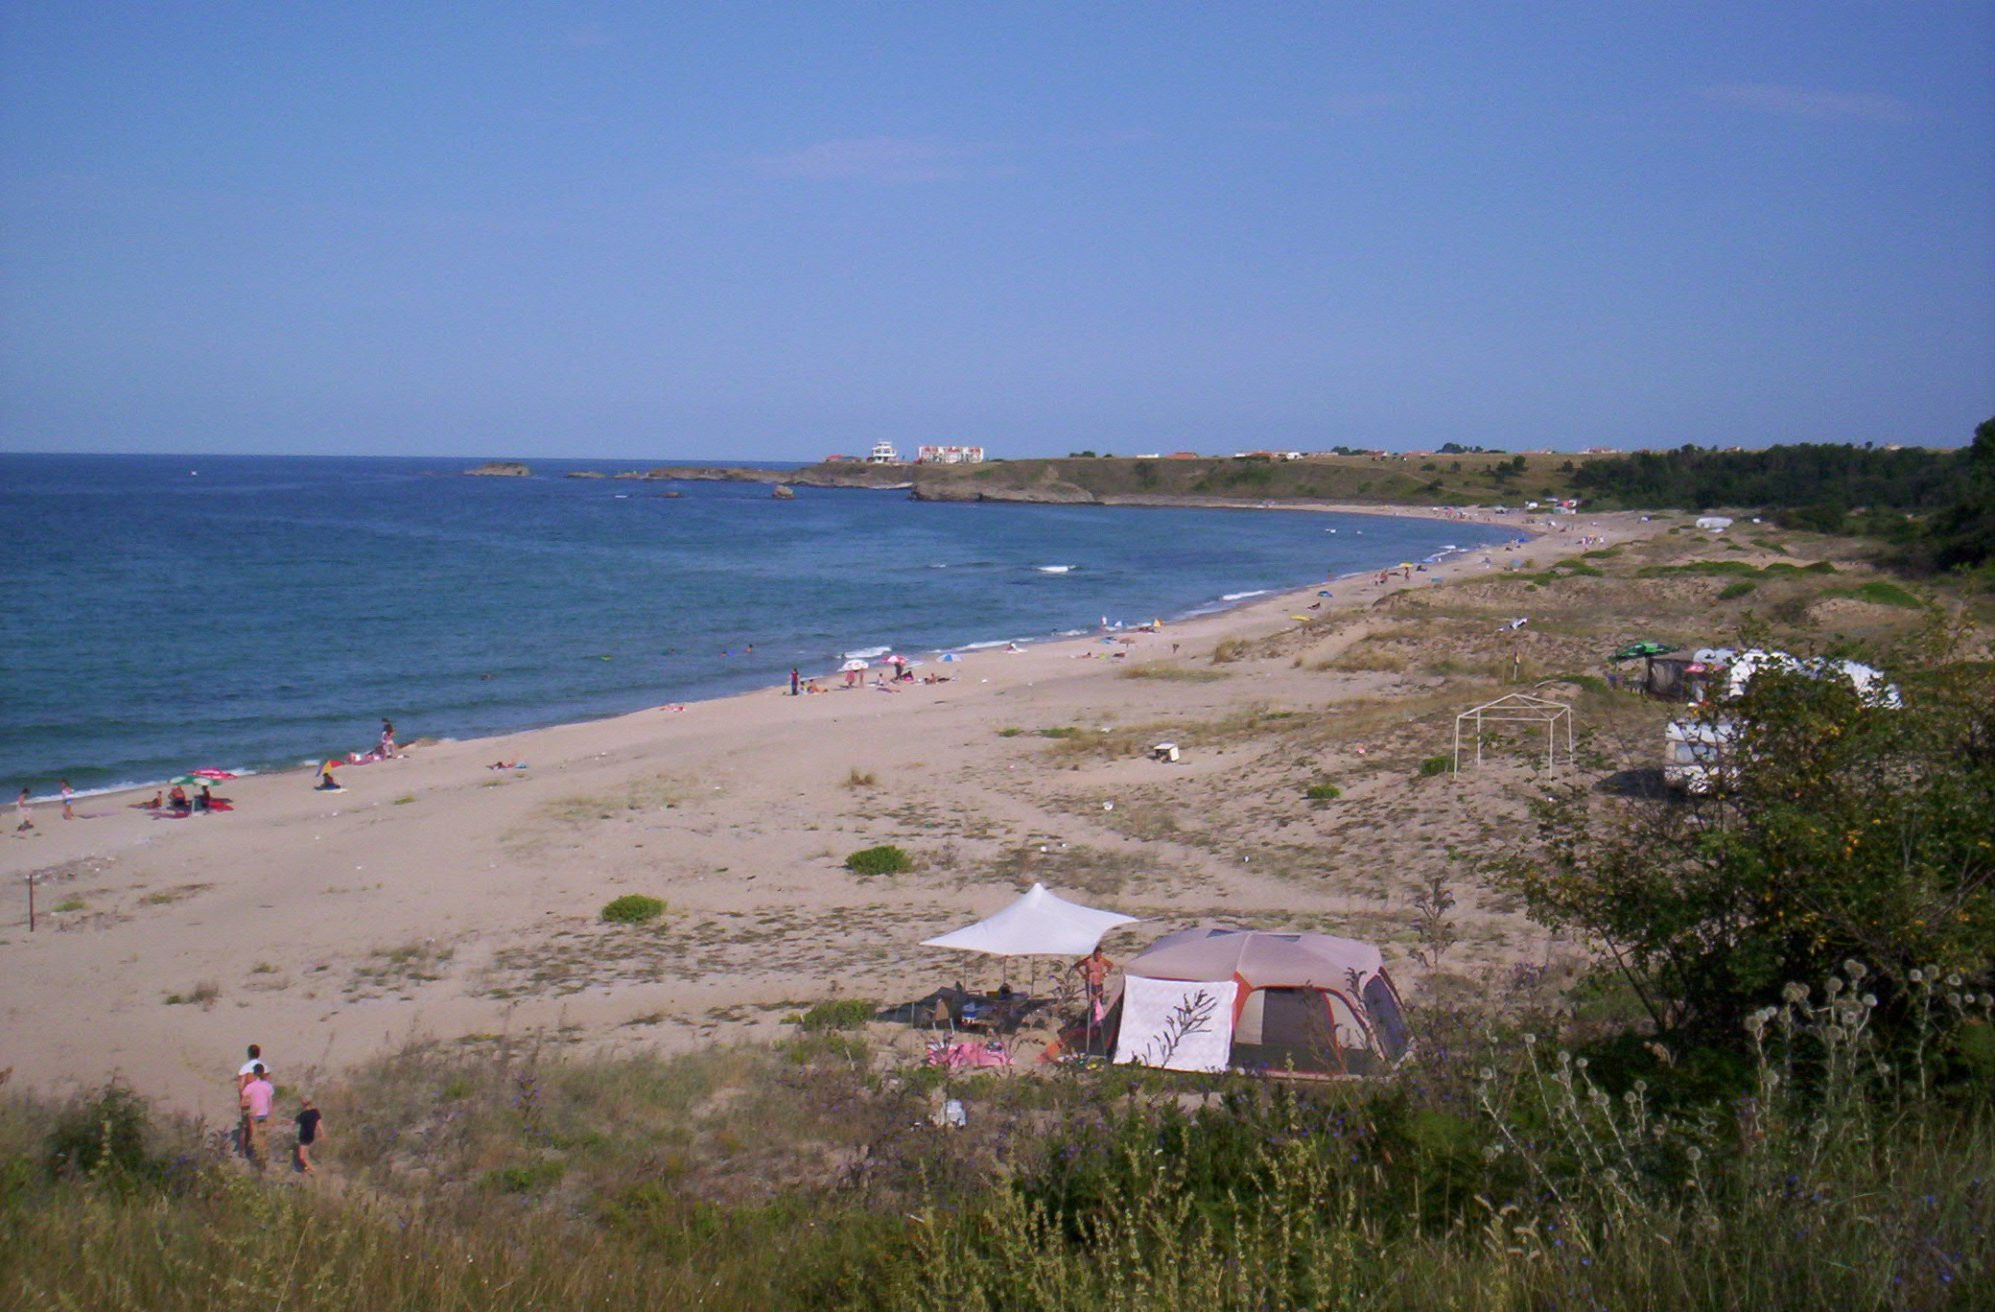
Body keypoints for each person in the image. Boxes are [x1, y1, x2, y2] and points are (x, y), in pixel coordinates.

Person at [240, 1064, 275, 1170]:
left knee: (255, 1136)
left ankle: (258, 1158)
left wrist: (246, 1107)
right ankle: (264, 1156)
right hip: (264, 1114)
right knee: (263, 1135)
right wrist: (271, 1112)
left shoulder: (250, 1086)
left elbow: (243, 1102)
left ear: (254, 1073)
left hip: (254, 1114)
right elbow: (270, 1101)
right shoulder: (268, 1086)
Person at [1073, 947, 1115, 1013]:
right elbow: (1076, 966)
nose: (1099, 956)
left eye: (1100, 954)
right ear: (1094, 954)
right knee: (1091, 1002)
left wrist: (1106, 974)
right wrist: (1083, 975)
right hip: (1090, 984)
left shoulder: (1102, 960)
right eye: (1097, 954)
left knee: (1099, 1002)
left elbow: (1111, 965)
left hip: (1099, 983)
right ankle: (1091, 1016)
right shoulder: (1088, 960)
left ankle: (1097, 1018)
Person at [294, 1097, 323, 1175]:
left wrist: (285, 1121)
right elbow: (319, 1124)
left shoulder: (303, 1114)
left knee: (302, 1157)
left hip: (303, 1137)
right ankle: (307, 1170)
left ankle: (314, 1171)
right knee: (306, 1156)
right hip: (311, 1136)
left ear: (303, 1105)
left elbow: (294, 1122)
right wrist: (322, 1133)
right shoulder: (315, 1112)